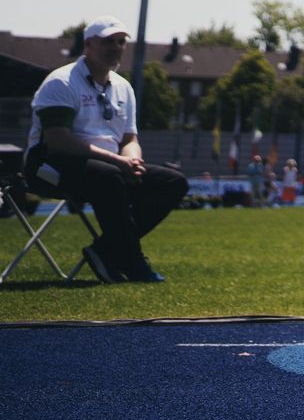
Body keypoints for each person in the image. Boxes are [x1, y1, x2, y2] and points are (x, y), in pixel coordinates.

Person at [23, 17, 188, 282]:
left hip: (107, 166)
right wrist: (116, 162)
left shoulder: (123, 87)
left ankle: (105, 250)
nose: (116, 47)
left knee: (173, 182)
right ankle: (132, 262)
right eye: (108, 41)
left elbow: (129, 138)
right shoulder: (62, 82)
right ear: (88, 44)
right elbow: (58, 141)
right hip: (47, 165)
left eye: (121, 42)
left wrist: (132, 160)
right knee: (108, 177)